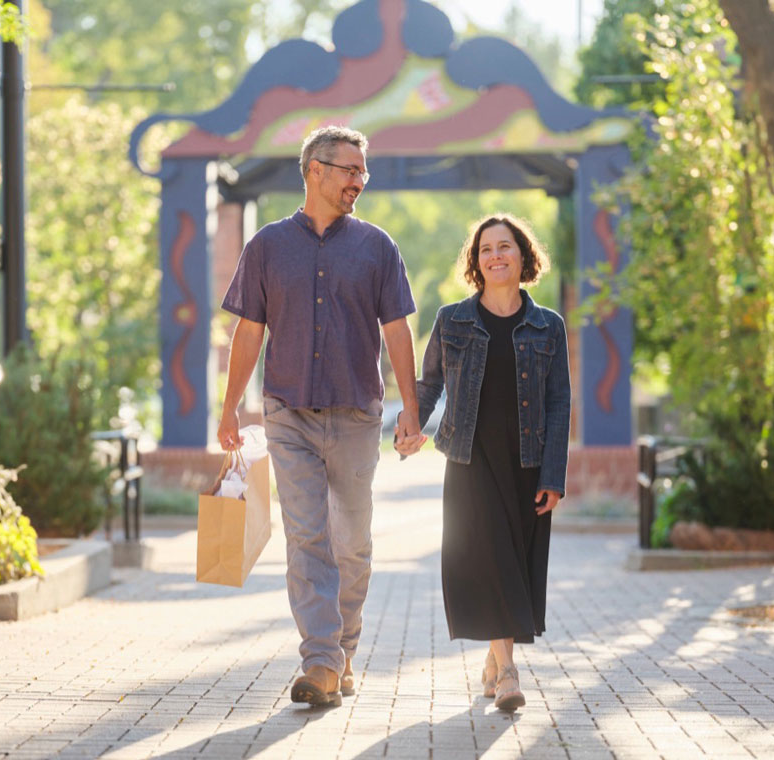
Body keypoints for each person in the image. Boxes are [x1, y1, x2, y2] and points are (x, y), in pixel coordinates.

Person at [217, 126, 427, 708]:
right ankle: (320, 661)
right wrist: (231, 403)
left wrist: (411, 409)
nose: (359, 180)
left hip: (357, 414)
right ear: (315, 169)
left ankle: (344, 651)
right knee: (306, 536)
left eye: (364, 172)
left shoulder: (377, 247)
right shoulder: (266, 246)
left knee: (351, 543)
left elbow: (397, 331)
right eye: (350, 170)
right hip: (288, 412)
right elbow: (249, 330)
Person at [413, 213, 571, 712]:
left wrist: (554, 476)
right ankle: (507, 673)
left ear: (524, 256)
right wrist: (409, 425)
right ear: (475, 262)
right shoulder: (452, 319)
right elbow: (430, 383)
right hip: (469, 458)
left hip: (526, 460)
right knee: (491, 560)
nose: (495, 255)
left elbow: (558, 403)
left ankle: (492, 658)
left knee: (514, 565)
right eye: (485, 249)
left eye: (505, 247)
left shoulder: (549, 326)